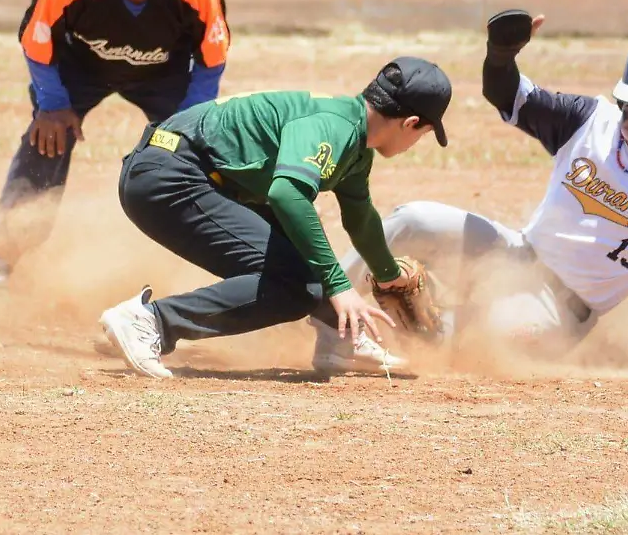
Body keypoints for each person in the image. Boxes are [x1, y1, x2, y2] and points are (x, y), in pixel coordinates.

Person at [309, 10, 628, 374]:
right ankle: (321, 306)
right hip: (516, 255)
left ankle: (417, 324)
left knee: (493, 336)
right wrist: (500, 56)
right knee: (415, 219)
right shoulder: (589, 122)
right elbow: (508, 96)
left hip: (560, 311)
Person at [98, 57, 454, 378]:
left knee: (303, 256)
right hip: (170, 178)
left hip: (183, 173)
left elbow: (360, 216)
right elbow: (285, 194)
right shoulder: (335, 127)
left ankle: (341, 339)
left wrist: (388, 275)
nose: (418, 141)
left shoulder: (355, 141)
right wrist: (340, 285)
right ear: (410, 123)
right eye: (424, 133)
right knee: (296, 285)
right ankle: (152, 322)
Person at [0, 0, 231, 292]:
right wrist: (54, 105)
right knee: (46, 140)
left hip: (164, 74)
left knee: (201, 153)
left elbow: (212, 60)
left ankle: (241, 265)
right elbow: (37, 44)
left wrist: (189, 125)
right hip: (81, 67)